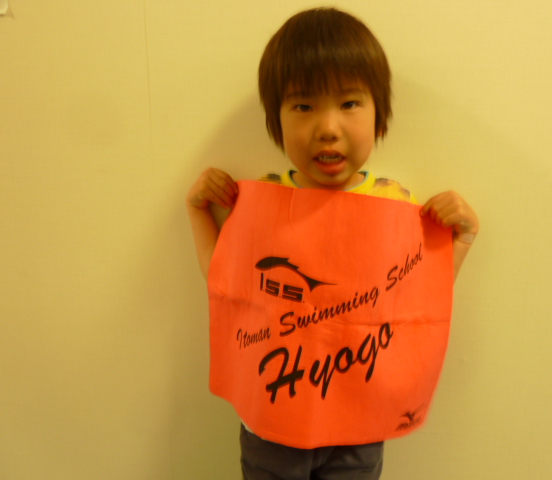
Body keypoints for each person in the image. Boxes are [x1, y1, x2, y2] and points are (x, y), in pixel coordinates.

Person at [186, 7, 479, 480]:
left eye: (349, 103)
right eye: (303, 106)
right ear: (276, 119)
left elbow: (416, 299)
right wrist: (198, 211)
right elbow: (225, 283)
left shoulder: (393, 205)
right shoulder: (265, 201)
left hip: (358, 423)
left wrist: (461, 238)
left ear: (379, 113)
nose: (327, 127)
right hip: (272, 424)